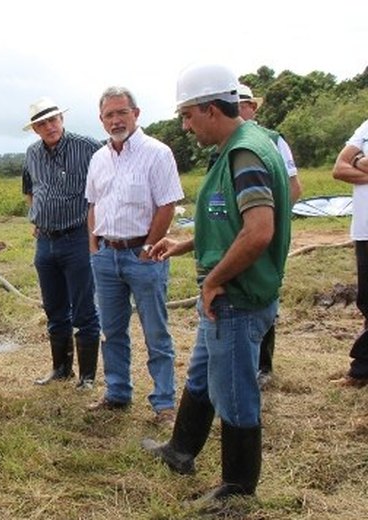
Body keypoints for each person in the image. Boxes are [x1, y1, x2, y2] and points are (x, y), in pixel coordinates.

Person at [141, 64, 291, 503]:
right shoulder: (242, 147)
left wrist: (213, 281)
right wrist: (186, 243)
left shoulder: (245, 154)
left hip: (235, 298)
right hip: (231, 295)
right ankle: (180, 450)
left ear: (210, 109)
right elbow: (230, 224)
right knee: (204, 375)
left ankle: (238, 490)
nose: (185, 126)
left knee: (235, 393)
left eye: (188, 115)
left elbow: (259, 231)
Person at [85, 87, 183, 423]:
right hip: (106, 256)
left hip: (143, 254)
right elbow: (93, 203)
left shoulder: (157, 153)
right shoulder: (98, 159)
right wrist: (93, 244)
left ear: (136, 114)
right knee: (111, 330)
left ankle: (164, 403)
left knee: (155, 331)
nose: (115, 120)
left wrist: (147, 248)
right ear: (101, 120)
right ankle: (117, 392)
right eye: (109, 115)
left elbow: (167, 203)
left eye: (121, 113)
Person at [22, 97, 102, 389]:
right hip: (45, 240)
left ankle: (88, 376)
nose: (49, 126)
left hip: (78, 236)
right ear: (34, 128)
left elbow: (109, 182)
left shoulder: (89, 147)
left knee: (84, 309)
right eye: (42, 123)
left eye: (53, 120)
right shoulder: (32, 154)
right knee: (54, 307)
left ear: (62, 119)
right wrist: (36, 216)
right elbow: (30, 188)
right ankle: (61, 368)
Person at [237, 83, 303, 388]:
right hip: (237, 233)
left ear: (253, 108)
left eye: (242, 104)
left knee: (264, 292)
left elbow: (293, 187)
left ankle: (264, 365)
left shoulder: (273, 141)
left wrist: (267, 222)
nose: (237, 109)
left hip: (264, 231)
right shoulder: (225, 146)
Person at [330, 118, 368, 388]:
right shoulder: (366, 127)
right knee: (367, 303)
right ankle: (362, 370)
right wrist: (356, 163)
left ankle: (360, 369)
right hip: (365, 231)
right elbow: (339, 169)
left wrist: (359, 163)